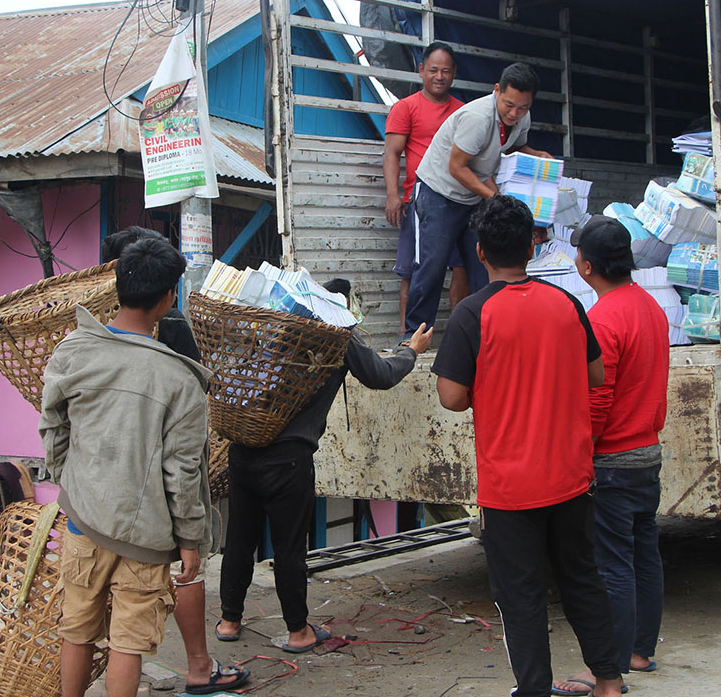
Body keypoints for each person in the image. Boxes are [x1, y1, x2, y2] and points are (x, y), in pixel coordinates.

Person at [432, 196, 625, 697]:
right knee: (583, 578)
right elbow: (596, 374)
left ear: (480, 252)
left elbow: (451, 397)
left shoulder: (472, 315)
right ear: (531, 248)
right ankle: (608, 681)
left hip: (511, 487)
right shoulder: (567, 303)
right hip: (570, 474)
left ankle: (535, 689)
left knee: (521, 597)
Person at [39, 238, 246, 697]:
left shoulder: (74, 349)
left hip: (83, 521)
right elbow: (183, 474)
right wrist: (191, 540)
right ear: (170, 297)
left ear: (118, 285)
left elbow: (52, 426)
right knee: (127, 645)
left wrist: (69, 481)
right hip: (147, 537)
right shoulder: (180, 378)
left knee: (76, 629)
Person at [216, 280, 433, 652]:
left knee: (239, 537)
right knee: (289, 548)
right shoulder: (336, 337)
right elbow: (380, 375)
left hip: (244, 449)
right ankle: (298, 631)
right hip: (288, 460)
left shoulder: (271, 326)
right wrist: (410, 351)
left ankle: (229, 620)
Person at [99, 227, 248, 694]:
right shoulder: (172, 327)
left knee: (84, 622)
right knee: (146, 615)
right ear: (164, 291)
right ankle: (199, 668)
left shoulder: (87, 331)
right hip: (155, 490)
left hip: (97, 490)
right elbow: (184, 447)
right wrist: (189, 536)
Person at [554, 216, 669, 694]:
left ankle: (610, 668)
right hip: (647, 451)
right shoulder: (652, 307)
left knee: (611, 565)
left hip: (614, 458)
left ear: (586, 267)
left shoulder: (601, 318)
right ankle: (640, 651)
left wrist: (580, 453)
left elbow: (597, 400)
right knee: (645, 555)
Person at [404, 62, 553, 337]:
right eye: (509, 104)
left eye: (522, 107)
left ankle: (487, 333)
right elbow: (457, 167)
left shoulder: (521, 118)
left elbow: (514, 145)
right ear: (497, 90)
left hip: (474, 196)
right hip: (439, 193)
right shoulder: (477, 118)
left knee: (486, 266)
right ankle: (413, 336)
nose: (514, 113)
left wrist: (537, 154)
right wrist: (495, 198)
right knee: (432, 266)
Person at [384, 42, 468, 331]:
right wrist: (394, 197)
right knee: (413, 273)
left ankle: (459, 339)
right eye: (433, 70)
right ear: (421, 71)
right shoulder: (405, 108)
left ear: (454, 73)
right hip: (419, 202)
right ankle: (409, 341)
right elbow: (392, 154)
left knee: (463, 269)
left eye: (446, 71)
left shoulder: (463, 112)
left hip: (458, 201)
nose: (439, 76)